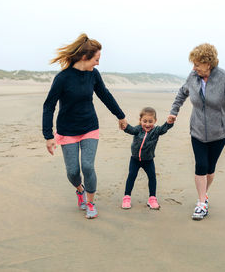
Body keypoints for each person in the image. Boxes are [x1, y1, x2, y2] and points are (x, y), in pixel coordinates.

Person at [168, 43, 225, 220]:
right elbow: (182, 93)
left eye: (197, 64)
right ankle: (201, 203)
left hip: (219, 133)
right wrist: (174, 111)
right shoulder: (193, 77)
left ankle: (203, 195)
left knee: (210, 169)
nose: (194, 68)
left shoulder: (224, 77)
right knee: (200, 166)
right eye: (193, 64)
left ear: (208, 63)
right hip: (197, 131)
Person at [42, 33, 127, 219]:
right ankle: (80, 190)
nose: (97, 64)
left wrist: (120, 116)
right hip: (67, 130)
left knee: (87, 166)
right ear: (84, 57)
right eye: (96, 59)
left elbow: (104, 95)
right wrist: (48, 136)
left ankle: (90, 202)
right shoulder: (63, 78)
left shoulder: (93, 75)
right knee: (73, 172)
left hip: (90, 126)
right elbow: (49, 106)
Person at [121, 107, 174, 210]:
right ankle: (127, 197)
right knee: (131, 176)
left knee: (152, 177)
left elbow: (164, 128)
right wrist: (125, 126)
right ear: (140, 120)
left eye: (150, 121)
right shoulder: (138, 129)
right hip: (135, 159)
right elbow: (130, 130)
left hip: (148, 160)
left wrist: (169, 123)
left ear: (155, 121)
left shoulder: (156, 131)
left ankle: (152, 198)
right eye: (145, 121)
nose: (147, 124)